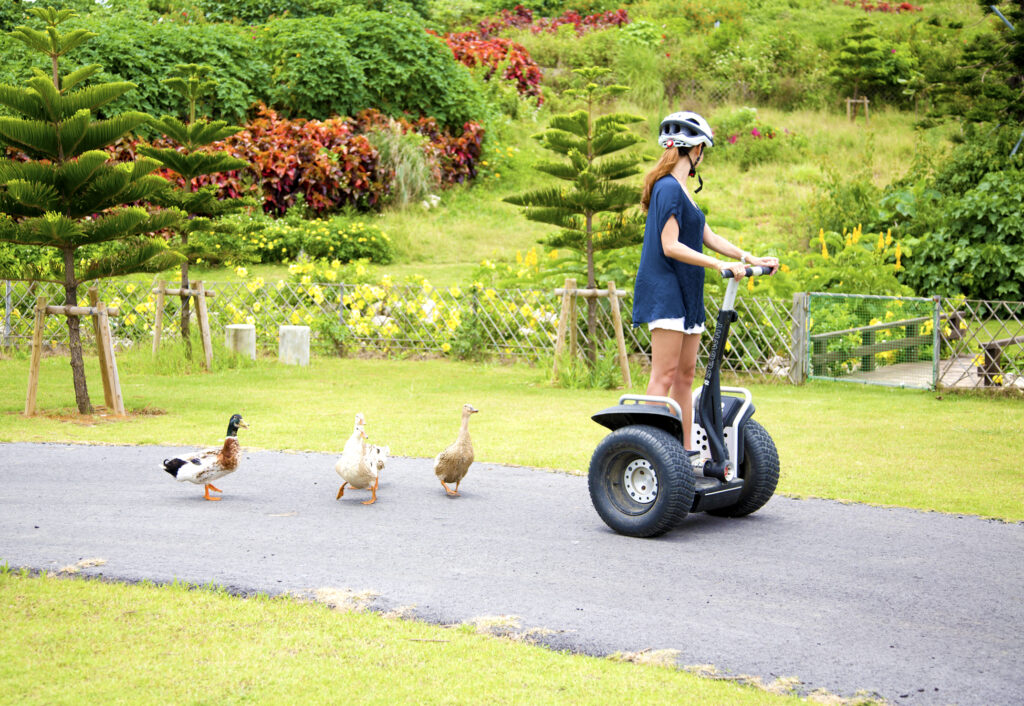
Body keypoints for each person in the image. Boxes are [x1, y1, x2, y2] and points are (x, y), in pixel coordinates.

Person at [632, 111, 779, 452]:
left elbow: (707, 235)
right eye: (704, 150)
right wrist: (716, 265)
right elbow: (670, 245)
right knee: (664, 377)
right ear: (696, 149)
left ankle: (685, 453)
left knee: (684, 378)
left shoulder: (683, 190)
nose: (703, 156)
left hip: (688, 291)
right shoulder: (667, 187)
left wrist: (749, 258)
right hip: (666, 290)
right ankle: (649, 451)